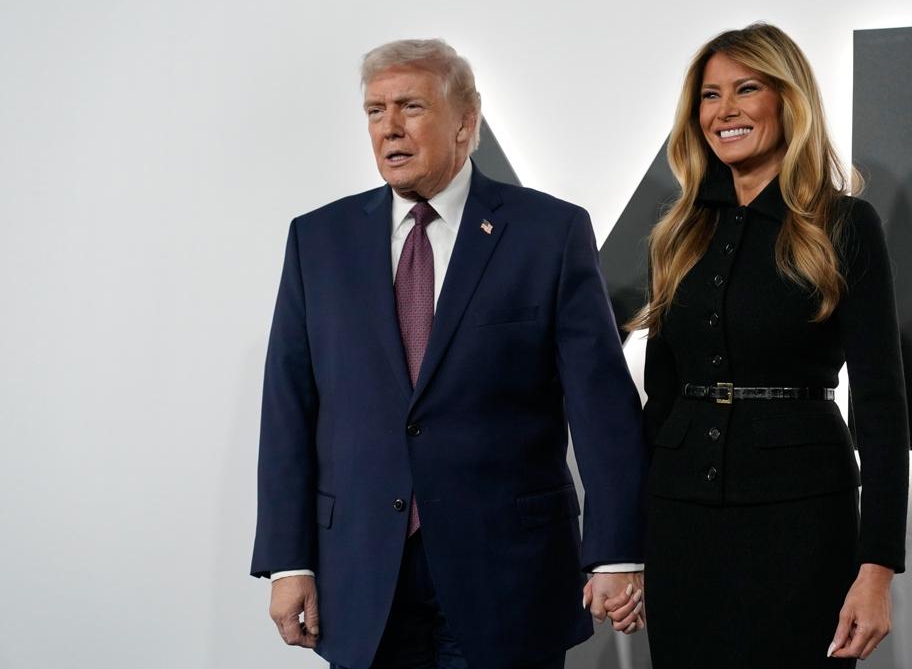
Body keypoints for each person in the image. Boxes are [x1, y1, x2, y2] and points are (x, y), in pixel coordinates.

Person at [250, 38, 647, 669]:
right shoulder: (318, 239)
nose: (389, 128)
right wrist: (287, 560)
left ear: (465, 121)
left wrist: (617, 551)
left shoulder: (548, 232)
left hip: (509, 573)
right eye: (375, 111)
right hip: (361, 574)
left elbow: (601, 404)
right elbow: (288, 407)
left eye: (410, 107)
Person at [628, 23, 910, 668]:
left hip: (801, 522)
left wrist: (876, 569)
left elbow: (881, 403)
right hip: (680, 522)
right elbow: (660, 401)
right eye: (709, 95)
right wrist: (626, 546)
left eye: (746, 89)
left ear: (789, 100)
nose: (724, 111)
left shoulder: (843, 223)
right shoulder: (677, 233)